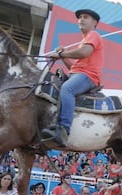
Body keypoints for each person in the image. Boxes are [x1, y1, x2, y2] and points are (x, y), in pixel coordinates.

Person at [41, 9, 104, 146]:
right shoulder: (83, 41)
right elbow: (73, 68)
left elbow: (84, 53)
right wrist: (63, 55)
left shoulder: (93, 35)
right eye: (80, 17)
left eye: (85, 17)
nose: (81, 19)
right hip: (76, 74)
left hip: (89, 76)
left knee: (67, 89)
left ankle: (63, 129)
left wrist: (62, 54)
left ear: (95, 23)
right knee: (52, 82)